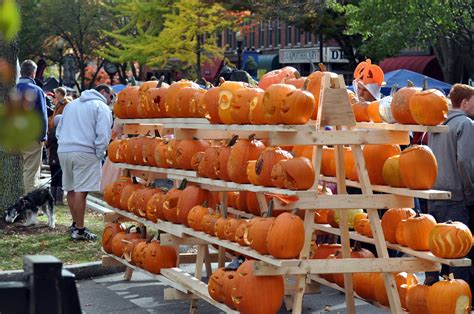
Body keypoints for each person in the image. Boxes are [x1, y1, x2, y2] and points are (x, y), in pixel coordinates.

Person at [425, 83, 474, 285]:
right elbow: (466, 162)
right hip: (457, 198)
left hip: (436, 195)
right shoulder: (465, 124)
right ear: (464, 102)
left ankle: (441, 295)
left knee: (441, 254)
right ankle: (459, 298)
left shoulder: (436, 124)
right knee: (459, 256)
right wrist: (470, 193)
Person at [56, 84, 114, 240]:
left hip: (64, 150)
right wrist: (100, 153)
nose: (111, 100)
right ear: (103, 92)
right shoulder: (101, 107)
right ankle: (80, 230)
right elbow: (103, 133)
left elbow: (59, 128)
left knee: (71, 189)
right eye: (111, 96)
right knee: (82, 191)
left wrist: (63, 143)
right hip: (85, 151)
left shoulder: (71, 105)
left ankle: (76, 224)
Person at [16, 60, 48, 194]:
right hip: (31, 137)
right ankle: (28, 205)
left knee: (17, 172)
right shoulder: (36, 90)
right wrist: (42, 136)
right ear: (33, 73)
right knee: (31, 172)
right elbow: (41, 115)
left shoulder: (12, 89)